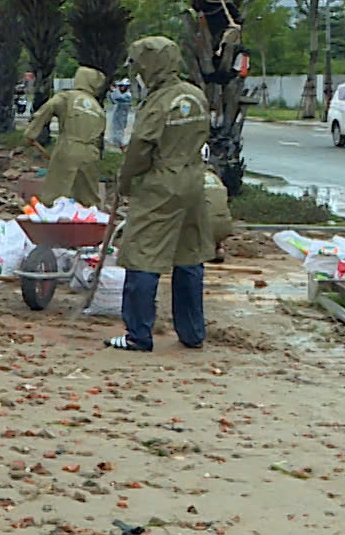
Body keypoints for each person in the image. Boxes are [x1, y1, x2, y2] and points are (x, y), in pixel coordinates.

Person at [109, 36, 210, 352]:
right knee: (189, 255)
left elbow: (140, 149)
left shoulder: (157, 103)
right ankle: (192, 333)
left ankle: (138, 334)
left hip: (163, 183)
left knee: (142, 254)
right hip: (195, 180)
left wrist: (124, 182)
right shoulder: (195, 96)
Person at [23, 65, 107, 207]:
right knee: (88, 198)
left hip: (69, 148)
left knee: (55, 193)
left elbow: (47, 109)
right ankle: (89, 223)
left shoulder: (67, 97)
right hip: (91, 154)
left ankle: (52, 222)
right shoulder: (98, 108)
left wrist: (31, 133)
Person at [109, 79, 133, 149]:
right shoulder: (120, 93)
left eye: (123, 86)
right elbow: (113, 100)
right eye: (120, 86)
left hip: (122, 115)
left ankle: (120, 144)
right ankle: (115, 142)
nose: (121, 87)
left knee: (120, 129)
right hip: (116, 114)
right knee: (114, 128)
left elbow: (119, 97)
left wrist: (114, 89)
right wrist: (111, 91)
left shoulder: (128, 95)